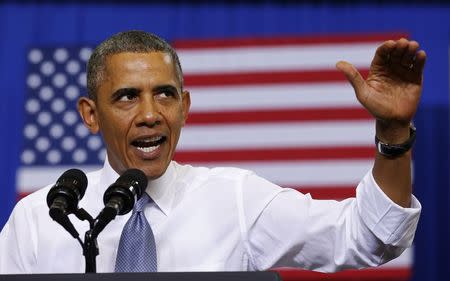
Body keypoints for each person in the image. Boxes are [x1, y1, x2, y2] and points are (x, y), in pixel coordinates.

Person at [0, 30, 424, 274]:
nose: (150, 114)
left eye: (164, 95)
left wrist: (392, 130)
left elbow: (371, 237)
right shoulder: (41, 219)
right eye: (128, 97)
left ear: (184, 109)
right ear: (91, 115)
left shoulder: (234, 198)